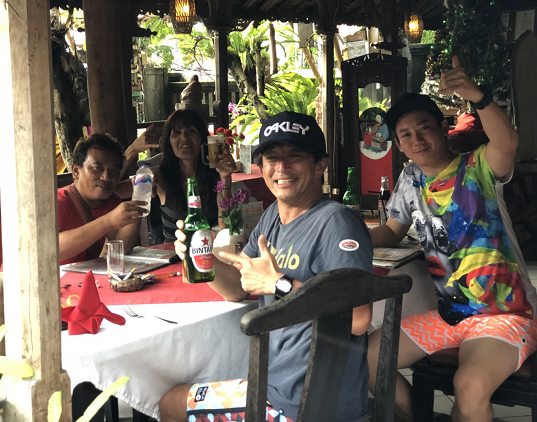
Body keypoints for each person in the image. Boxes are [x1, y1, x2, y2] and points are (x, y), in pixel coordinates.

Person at [160, 111, 374, 422]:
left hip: (308, 406)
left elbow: (359, 319)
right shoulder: (274, 214)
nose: (281, 167)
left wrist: (280, 284)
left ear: (320, 165)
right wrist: (198, 258)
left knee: (172, 403)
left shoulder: (337, 222)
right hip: (278, 388)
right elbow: (237, 288)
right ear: (261, 168)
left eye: (295, 155)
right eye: (272, 157)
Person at [368, 56, 537, 422]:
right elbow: (391, 232)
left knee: (469, 385)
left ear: (443, 127)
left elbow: (507, 142)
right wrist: (347, 236)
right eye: (405, 134)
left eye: (424, 128)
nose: (417, 139)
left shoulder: (478, 166)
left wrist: (478, 97)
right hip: (452, 316)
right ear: (398, 144)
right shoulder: (410, 179)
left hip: (505, 313)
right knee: (366, 359)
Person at [58, 133, 146, 265]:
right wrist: (108, 221)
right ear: (76, 171)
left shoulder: (110, 201)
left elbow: (120, 249)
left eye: (113, 170)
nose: (106, 177)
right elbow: (53, 248)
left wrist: (137, 200)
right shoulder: (59, 202)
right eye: (97, 168)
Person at [153, 109, 236, 243]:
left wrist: (225, 178)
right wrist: (133, 150)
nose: (184, 137)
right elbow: (118, 189)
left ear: (202, 138)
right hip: (172, 252)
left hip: (208, 250)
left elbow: (225, 228)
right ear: (169, 141)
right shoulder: (160, 176)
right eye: (177, 132)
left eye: (191, 131)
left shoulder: (215, 174)